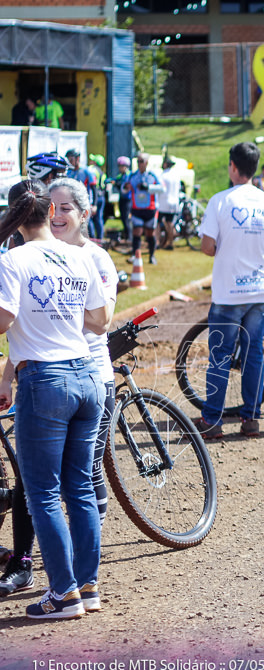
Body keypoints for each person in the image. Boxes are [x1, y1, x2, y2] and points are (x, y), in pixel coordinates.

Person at [0, 179, 110, 619]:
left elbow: (3, 320)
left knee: (43, 494)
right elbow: (100, 321)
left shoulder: (14, 259)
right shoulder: (80, 255)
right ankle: (87, 587)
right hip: (86, 375)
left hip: (44, 381)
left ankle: (63, 594)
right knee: (80, 487)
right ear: (49, 211)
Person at [194, 143, 264, 439]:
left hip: (228, 292)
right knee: (254, 354)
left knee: (221, 355)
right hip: (260, 291)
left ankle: (212, 419)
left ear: (233, 167)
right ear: (256, 168)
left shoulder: (220, 201)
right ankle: (251, 419)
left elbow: (207, 246)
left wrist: (230, 251)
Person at [48, 177, 119, 532]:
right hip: (52, 375)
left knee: (87, 464)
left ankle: (91, 539)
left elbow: (100, 322)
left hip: (94, 376)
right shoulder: (41, 252)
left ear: (85, 213)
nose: (56, 216)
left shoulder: (96, 257)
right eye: (51, 208)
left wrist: (53, 314)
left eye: (65, 209)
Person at [124, 152, 163, 265]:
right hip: (136, 209)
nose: (139, 164)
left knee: (149, 234)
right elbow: (124, 188)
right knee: (137, 232)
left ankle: (152, 256)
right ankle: (135, 255)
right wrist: (125, 187)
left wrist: (149, 188)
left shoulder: (152, 176)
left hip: (150, 209)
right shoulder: (132, 175)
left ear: (146, 163)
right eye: (138, 161)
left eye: (141, 161)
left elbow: (162, 189)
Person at [65, 151, 99, 239]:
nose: (70, 162)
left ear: (78, 159)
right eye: (68, 160)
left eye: (71, 159)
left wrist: (94, 205)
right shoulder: (69, 172)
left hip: (85, 202)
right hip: (73, 203)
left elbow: (94, 189)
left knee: (87, 225)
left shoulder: (87, 171)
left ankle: (93, 243)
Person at [156, 156, 181, 250]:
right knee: (170, 223)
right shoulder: (176, 176)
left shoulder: (163, 176)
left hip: (163, 202)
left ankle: (157, 242)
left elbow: (160, 189)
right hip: (174, 202)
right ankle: (170, 242)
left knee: (158, 223)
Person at [109, 156, 133, 246]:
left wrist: (117, 184)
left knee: (127, 219)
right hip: (122, 199)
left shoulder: (129, 175)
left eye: (121, 166)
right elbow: (117, 181)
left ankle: (130, 238)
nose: (119, 168)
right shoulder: (121, 175)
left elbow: (125, 186)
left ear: (125, 166)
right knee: (123, 218)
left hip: (128, 200)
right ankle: (126, 236)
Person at [87, 154, 107, 242]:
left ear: (95, 162)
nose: (90, 161)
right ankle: (100, 238)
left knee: (89, 217)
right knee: (99, 218)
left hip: (94, 197)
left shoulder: (92, 169)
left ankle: (93, 237)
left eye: (92, 160)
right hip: (101, 197)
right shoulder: (102, 173)